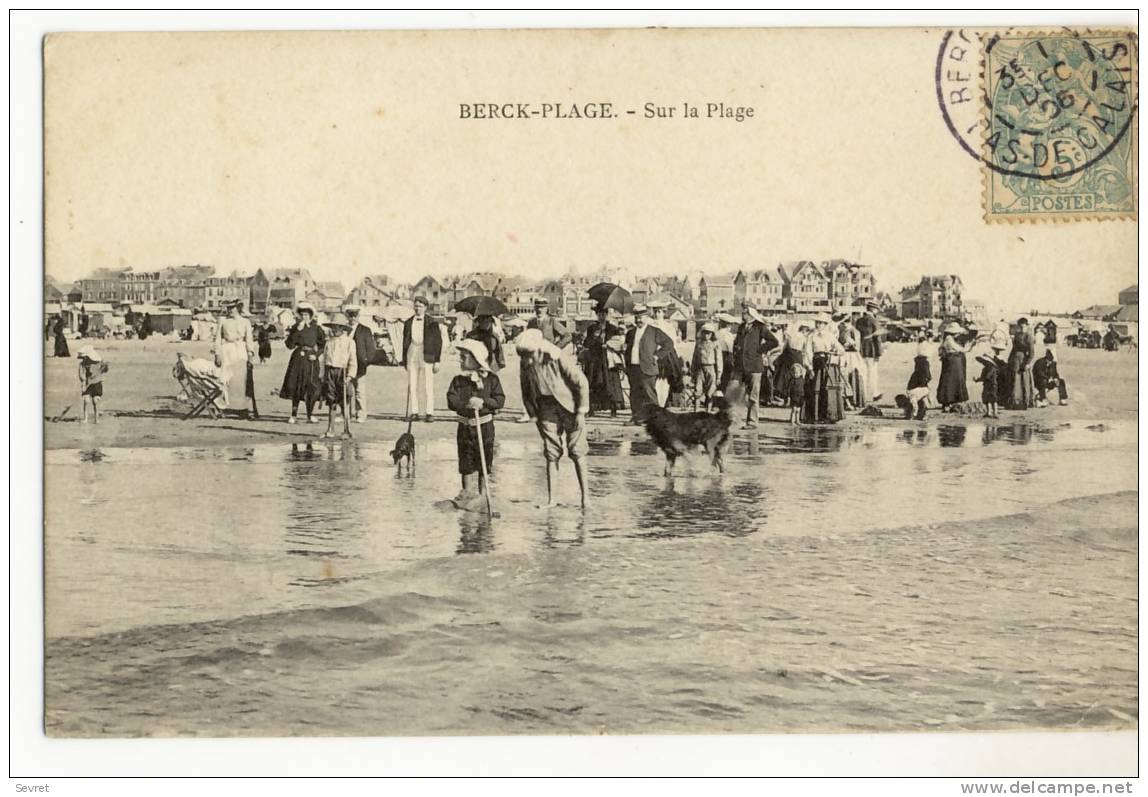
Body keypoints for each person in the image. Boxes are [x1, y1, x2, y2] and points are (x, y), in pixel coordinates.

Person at [515, 327, 591, 509]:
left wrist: (581, 412)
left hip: (570, 407)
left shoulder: (557, 358)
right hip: (546, 408)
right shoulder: (526, 363)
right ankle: (552, 499)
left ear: (540, 349)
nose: (528, 360)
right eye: (524, 356)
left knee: (577, 451)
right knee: (551, 452)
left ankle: (586, 499)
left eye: (530, 355)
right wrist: (533, 414)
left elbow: (581, 382)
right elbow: (526, 390)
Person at [446, 339, 506, 505]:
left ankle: (483, 496)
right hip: (465, 426)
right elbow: (451, 400)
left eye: (464, 357)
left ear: (476, 359)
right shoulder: (458, 380)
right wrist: (466, 405)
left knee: (484, 463)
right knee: (465, 462)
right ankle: (466, 494)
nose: (460, 360)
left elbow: (500, 400)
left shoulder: (491, 379)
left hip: (485, 427)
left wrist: (483, 402)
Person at [623, 304, 676, 424]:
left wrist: (657, 355)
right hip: (633, 367)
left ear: (647, 317)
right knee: (635, 393)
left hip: (648, 366)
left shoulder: (654, 331)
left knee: (649, 393)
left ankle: (657, 419)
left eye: (641, 317)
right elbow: (628, 348)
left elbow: (669, 343)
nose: (638, 320)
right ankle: (636, 417)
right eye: (636, 317)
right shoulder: (630, 333)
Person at [732, 303, 779, 429]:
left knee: (753, 396)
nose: (743, 314)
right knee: (737, 393)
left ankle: (752, 422)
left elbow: (774, 342)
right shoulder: (741, 327)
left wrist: (760, 350)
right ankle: (735, 420)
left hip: (754, 365)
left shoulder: (760, 327)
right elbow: (736, 342)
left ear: (751, 314)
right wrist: (735, 353)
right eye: (743, 312)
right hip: (741, 365)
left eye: (745, 312)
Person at [280, 301, 326, 424]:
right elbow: (289, 345)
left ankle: (310, 415)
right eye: (302, 315)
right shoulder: (295, 327)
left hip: (311, 360)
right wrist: (297, 332)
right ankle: (293, 415)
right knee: (296, 386)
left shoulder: (317, 328)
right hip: (298, 359)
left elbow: (323, 345)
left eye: (306, 315)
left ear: (311, 316)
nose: (304, 317)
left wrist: (316, 355)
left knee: (311, 386)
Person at [401, 296, 443, 422]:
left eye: (420, 306)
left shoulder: (432, 322)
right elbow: (405, 341)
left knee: (427, 384)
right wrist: (404, 359)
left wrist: (437, 360)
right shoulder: (408, 322)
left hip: (427, 353)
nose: (418, 308)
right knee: (412, 384)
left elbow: (438, 342)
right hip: (412, 351)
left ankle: (429, 412)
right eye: (416, 306)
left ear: (425, 307)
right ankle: (414, 412)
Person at [318, 313, 357, 438]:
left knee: (344, 401)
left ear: (343, 328)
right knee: (331, 401)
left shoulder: (349, 342)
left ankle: (347, 429)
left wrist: (349, 376)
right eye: (333, 327)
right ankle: (330, 429)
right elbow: (324, 360)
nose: (334, 330)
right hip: (330, 372)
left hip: (343, 372)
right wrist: (322, 375)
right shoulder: (329, 342)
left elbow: (353, 361)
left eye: (337, 327)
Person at [212, 300, 255, 411]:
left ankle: (241, 406)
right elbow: (217, 338)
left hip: (241, 350)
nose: (229, 310)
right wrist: (217, 354)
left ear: (238, 308)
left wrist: (250, 355)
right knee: (226, 378)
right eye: (228, 308)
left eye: (232, 308)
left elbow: (249, 339)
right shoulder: (223, 321)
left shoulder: (245, 322)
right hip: (227, 350)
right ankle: (226, 405)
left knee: (241, 379)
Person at [803, 312, 846, 424]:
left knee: (828, 389)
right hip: (816, 364)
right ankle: (815, 415)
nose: (818, 325)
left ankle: (829, 415)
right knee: (815, 389)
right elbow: (808, 352)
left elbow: (841, 349)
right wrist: (809, 368)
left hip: (828, 365)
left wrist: (832, 352)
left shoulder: (830, 336)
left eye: (821, 323)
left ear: (825, 324)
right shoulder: (811, 336)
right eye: (817, 323)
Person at [581, 305, 623, 416]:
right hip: (594, 361)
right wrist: (594, 338)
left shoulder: (613, 328)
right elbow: (586, 344)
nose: (601, 317)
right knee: (593, 383)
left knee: (610, 384)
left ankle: (613, 409)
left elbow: (618, 344)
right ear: (597, 315)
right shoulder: (591, 328)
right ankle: (591, 409)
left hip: (608, 361)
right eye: (599, 314)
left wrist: (608, 345)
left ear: (607, 315)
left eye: (603, 314)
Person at [344, 305, 377, 423]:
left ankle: (361, 413)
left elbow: (371, 349)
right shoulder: (343, 330)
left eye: (355, 316)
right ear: (347, 316)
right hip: (345, 365)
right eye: (350, 316)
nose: (352, 318)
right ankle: (346, 413)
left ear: (358, 316)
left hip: (360, 365)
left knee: (359, 391)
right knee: (345, 390)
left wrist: (366, 361)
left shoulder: (365, 330)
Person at [936, 321, 971, 411]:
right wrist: (967, 348)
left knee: (951, 380)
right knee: (951, 380)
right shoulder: (949, 339)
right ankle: (949, 401)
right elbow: (959, 349)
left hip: (951, 360)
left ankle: (951, 401)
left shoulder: (948, 338)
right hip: (953, 360)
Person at [691, 322, 724, 410]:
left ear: (712, 334)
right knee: (697, 391)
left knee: (710, 392)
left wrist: (718, 376)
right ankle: (696, 413)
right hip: (700, 369)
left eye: (709, 333)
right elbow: (694, 358)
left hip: (711, 368)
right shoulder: (698, 344)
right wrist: (692, 372)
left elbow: (719, 360)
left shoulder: (715, 344)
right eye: (705, 332)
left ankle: (708, 412)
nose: (706, 335)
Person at [855, 300, 883, 401]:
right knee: (872, 373)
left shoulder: (858, 321)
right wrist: (879, 353)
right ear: (873, 309)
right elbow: (877, 338)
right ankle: (874, 393)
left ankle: (862, 395)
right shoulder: (874, 321)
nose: (877, 311)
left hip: (860, 349)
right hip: (871, 350)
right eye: (876, 309)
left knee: (862, 372)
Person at [838, 313, 866, 409]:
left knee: (854, 376)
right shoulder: (842, 331)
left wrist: (850, 344)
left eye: (846, 322)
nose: (844, 324)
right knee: (844, 377)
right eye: (843, 322)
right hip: (844, 355)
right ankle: (847, 402)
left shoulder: (854, 331)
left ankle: (856, 401)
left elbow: (857, 347)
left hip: (853, 356)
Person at [1007, 317, 1036, 410]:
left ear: (1027, 326)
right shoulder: (1017, 335)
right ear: (1018, 327)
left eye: (1024, 326)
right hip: (1015, 360)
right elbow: (1013, 348)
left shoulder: (1029, 337)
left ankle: (1025, 402)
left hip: (1024, 359)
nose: (1022, 328)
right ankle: (1016, 401)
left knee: (1025, 380)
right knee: (1016, 379)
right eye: (1021, 327)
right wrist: (1009, 359)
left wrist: (1027, 363)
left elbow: (1032, 352)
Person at [901, 340, 932, 420]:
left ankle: (915, 413)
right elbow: (927, 375)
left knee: (916, 399)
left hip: (912, 386)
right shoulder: (925, 363)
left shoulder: (917, 361)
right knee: (924, 396)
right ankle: (920, 413)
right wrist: (928, 379)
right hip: (919, 387)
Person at [77, 348, 109, 424]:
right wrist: (83, 384)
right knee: (86, 401)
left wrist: (105, 366)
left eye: (85, 357)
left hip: (97, 384)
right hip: (88, 384)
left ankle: (96, 419)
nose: (84, 359)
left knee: (95, 402)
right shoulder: (82, 364)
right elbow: (81, 375)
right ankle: (85, 418)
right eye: (83, 357)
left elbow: (105, 370)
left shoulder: (98, 363)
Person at [973, 353, 1003, 418]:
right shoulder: (985, 369)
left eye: (984, 361)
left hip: (992, 385)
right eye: (982, 362)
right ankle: (989, 412)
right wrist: (977, 380)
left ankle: (995, 413)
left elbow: (987, 377)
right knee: (987, 399)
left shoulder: (992, 368)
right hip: (987, 385)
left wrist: (979, 379)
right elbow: (983, 377)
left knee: (993, 399)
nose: (983, 363)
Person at [715, 313, 738, 392]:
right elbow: (730, 348)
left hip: (715, 356)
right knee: (725, 377)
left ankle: (715, 397)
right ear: (728, 325)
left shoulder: (716, 333)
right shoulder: (728, 335)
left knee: (717, 377)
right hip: (726, 357)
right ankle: (722, 397)